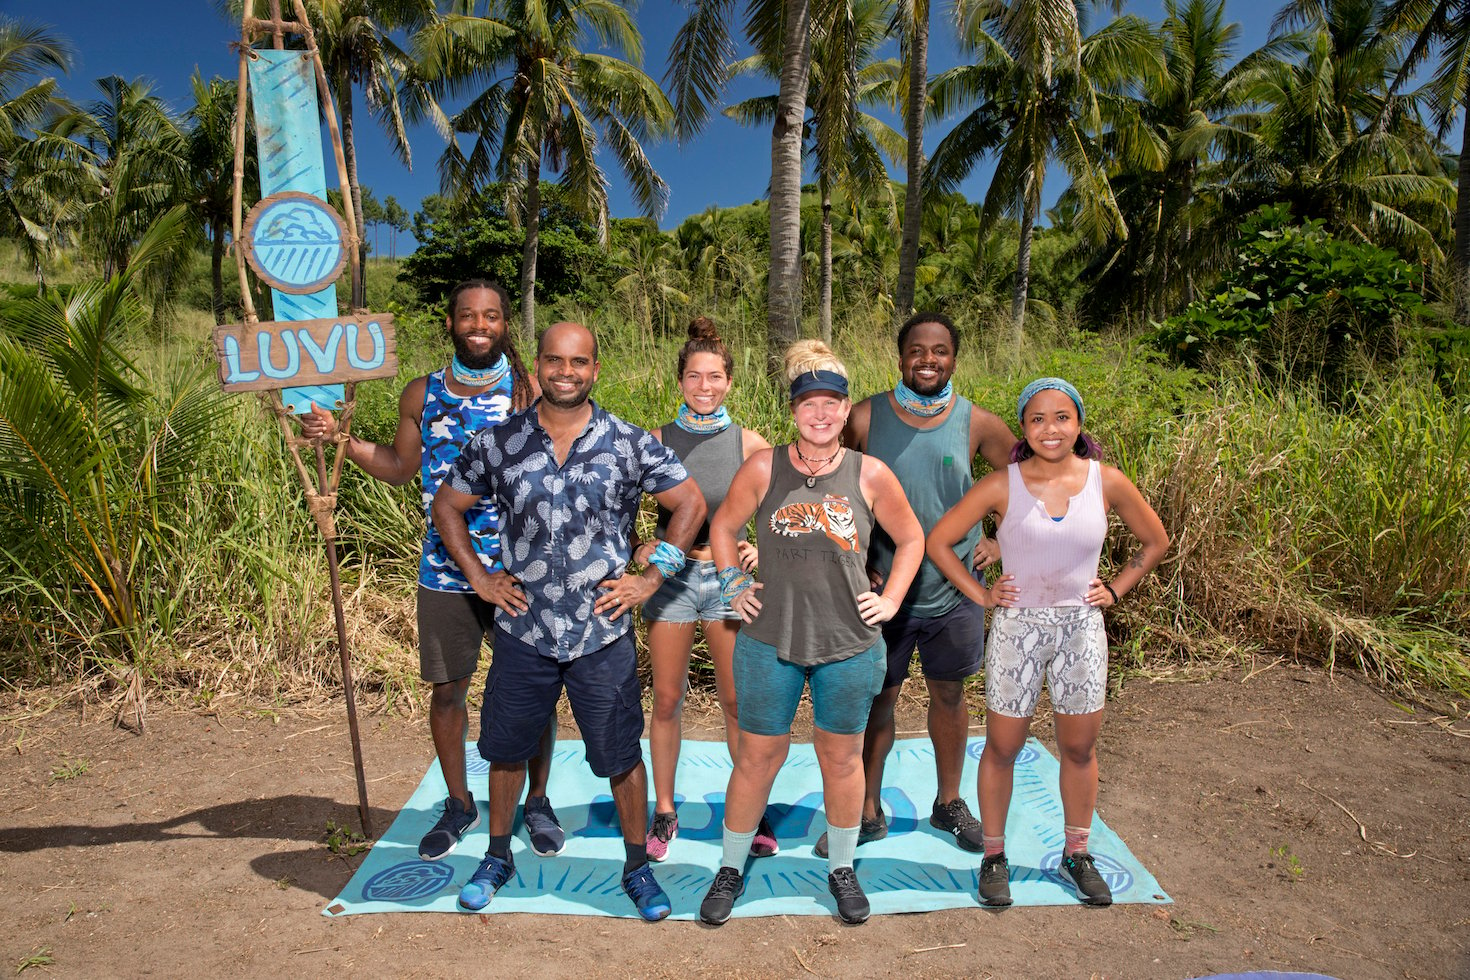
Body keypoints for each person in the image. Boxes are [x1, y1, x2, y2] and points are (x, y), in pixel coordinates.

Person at [433, 321, 706, 921]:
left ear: (594, 370)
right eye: (554, 360)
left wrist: (652, 578)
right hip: (523, 628)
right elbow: (447, 505)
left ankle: (637, 868)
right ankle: (498, 855)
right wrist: (480, 578)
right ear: (539, 364)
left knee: (620, 756)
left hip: (599, 631)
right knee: (506, 750)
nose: (565, 371)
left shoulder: (628, 443)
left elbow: (689, 502)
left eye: (578, 362)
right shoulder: (497, 442)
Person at [298, 280, 561, 863]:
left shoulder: (529, 391)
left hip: (523, 569)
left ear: (504, 325)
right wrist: (342, 437)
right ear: (449, 323)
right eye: (468, 315)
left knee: (534, 689)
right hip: (445, 568)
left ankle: (537, 802)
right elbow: (397, 467)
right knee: (448, 691)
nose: (479, 325)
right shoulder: (423, 393)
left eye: (491, 316)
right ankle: (460, 803)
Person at [698, 341, 924, 927]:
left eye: (832, 404)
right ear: (793, 411)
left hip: (848, 642)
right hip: (768, 638)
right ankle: (730, 865)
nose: (820, 414)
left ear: (846, 411)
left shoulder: (869, 473)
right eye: (809, 404)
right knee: (757, 756)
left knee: (842, 757)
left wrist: (893, 597)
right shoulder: (763, 467)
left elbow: (913, 538)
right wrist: (730, 585)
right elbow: (723, 525)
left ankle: (842, 868)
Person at [926, 378, 1170, 908]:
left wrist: (1118, 586)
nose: (1050, 429)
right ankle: (994, 857)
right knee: (1004, 747)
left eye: (1061, 417)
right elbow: (939, 541)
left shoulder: (1107, 482)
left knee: (1079, 748)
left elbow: (1155, 541)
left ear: (1079, 422)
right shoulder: (1001, 485)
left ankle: (1076, 853)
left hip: (1080, 629)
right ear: (1023, 429)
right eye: (1037, 419)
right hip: (1018, 630)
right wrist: (982, 594)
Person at [826, 311, 1015, 858]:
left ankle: (949, 802)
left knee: (950, 696)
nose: (927, 359)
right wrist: (857, 562)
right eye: (917, 349)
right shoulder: (864, 417)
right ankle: (866, 809)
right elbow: (835, 491)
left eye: (939, 351)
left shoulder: (977, 422)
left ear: (955, 359)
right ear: (899, 356)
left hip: (955, 588)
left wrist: (1001, 542)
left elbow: (1023, 480)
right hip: (882, 591)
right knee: (876, 701)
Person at [634, 317, 774, 863]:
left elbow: (783, 510)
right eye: (694, 377)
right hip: (671, 580)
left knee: (737, 700)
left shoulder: (750, 443)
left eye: (715, 377)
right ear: (680, 381)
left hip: (727, 581)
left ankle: (751, 812)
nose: (705, 387)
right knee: (668, 699)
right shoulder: (656, 442)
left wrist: (764, 547)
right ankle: (664, 811)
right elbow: (616, 505)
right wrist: (639, 545)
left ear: (729, 382)